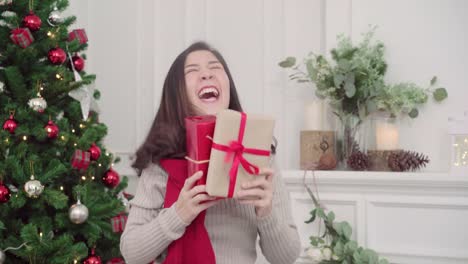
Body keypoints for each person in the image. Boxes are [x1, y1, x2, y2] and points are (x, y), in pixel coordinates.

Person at [120, 41, 301, 264]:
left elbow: (286, 258)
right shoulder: (160, 163)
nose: (206, 74)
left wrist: (266, 212)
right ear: (178, 94)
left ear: (228, 85)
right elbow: (131, 253)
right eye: (192, 71)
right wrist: (180, 214)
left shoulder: (258, 158)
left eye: (215, 67)